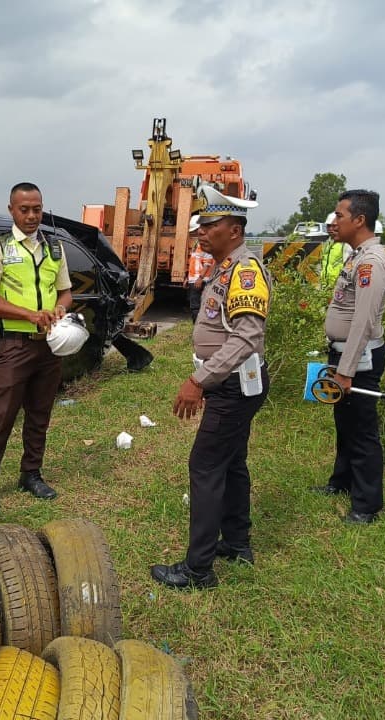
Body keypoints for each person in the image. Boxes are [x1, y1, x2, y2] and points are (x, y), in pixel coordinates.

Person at [150, 183, 271, 590]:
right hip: (232, 382)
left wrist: (198, 380)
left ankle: (197, 569)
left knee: (205, 466)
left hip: (233, 385)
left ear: (234, 229)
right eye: (200, 223)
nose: (201, 230)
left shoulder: (246, 271)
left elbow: (246, 337)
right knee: (231, 463)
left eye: (210, 224)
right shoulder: (225, 268)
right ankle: (236, 543)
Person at [0, 182, 73, 514]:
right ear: (12, 210)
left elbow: (65, 292)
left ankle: (31, 474)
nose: (31, 216)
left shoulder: (55, 248)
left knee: (40, 414)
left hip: (49, 346)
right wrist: (29, 314)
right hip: (15, 345)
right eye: (24, 209)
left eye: (37, 209)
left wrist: (60, 309)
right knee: (1, 416)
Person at [311, 190, 385, 524]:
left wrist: (345, 372)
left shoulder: (371, 262)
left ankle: (366, 505)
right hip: (344, 356)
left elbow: (363, 322)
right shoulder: (356, 255)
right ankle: (341, 481)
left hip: (359, 360)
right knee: (344, 425)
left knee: (361, 431)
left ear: (359, 220)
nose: (334, 221)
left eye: (339, 215)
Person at [186, 215, 215, 322]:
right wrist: (188, 278)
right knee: (194, 305)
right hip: (194, 280)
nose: (194, 233)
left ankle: (199, 327)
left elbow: (208, 263)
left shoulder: (205, 243)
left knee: (197, 306)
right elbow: (195, 263)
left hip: (201, 280)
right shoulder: (197, 244)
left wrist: (200, 278)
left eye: (195, 230)